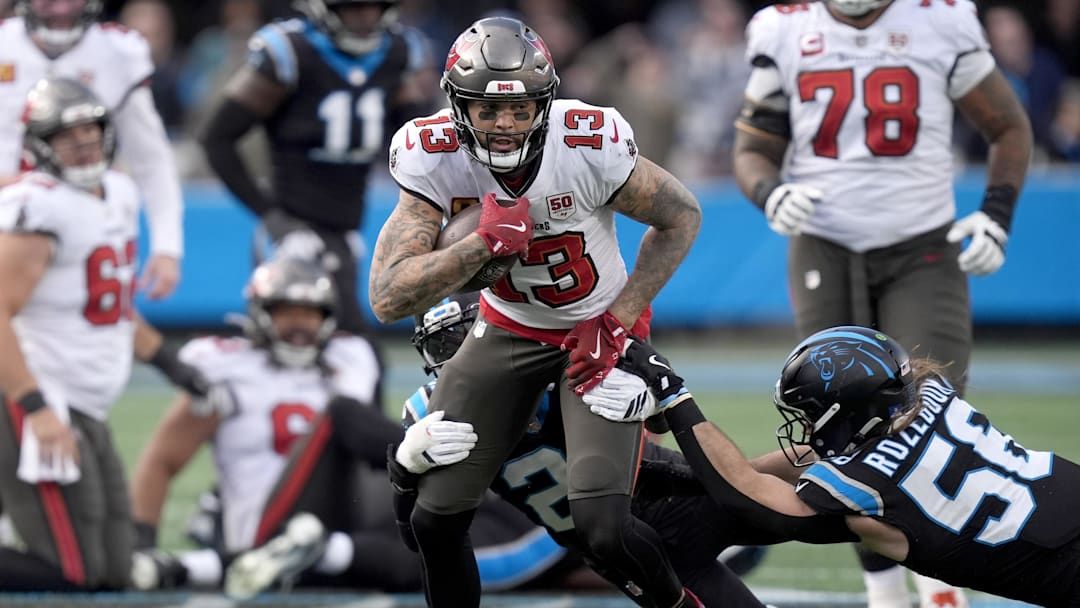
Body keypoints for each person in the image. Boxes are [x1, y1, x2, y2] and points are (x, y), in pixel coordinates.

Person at [369, 15, 703, 608]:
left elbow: (680, 218)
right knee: (435, 516)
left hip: (595, 330)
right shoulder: (434, 153)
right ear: (457, 106)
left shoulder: (585, 141)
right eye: (488, 110)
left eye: (521, 109)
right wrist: (481, 246)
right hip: (504, 328)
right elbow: (387, 297)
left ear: (543, 103)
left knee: (603, 529)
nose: (504, 124)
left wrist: (619, 320)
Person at [730, 0, 1034, 604]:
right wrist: (769, 192)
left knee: (931, 412)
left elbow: (1009, 126)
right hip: (825, 245)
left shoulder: (940, 19)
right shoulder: (785, 27)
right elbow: (752, 148)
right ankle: (884, 590)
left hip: (921, 243)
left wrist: (997, 215)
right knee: (835, 427)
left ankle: (943, 580)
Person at [129, 258, 571, 599]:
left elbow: (363, 457)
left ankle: (467, 490)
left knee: (424, 533)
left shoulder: (350, 355)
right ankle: (458, 463)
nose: (299, 324)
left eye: (310, 312)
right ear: (261, 312)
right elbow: (163, 459)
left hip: (326, 522)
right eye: (286, 312)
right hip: (267, 522)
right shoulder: (222, 363)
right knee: (344, 416)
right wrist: (142, 540)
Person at [588, 327, 1080, 608]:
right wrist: (689, 477)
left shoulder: (866, 491)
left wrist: (676, 397)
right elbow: (844, 455)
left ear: (847, 413)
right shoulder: (930, 395)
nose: (804, 428)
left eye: (808, 415)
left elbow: (745, 493)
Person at [390, 293, 812, 607]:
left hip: (663, 500)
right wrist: (404, 471)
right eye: (442, 348)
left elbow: (655, 424)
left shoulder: (554, 363)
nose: (457, 359)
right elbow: (423, 542)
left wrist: (649, 399)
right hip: (619, 552)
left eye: (465, 340)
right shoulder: (428, 418)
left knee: (836, 508)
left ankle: (849, 459)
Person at [0, 77, 200, 591]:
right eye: (66, 135)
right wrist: (36, 407)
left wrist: (170, 363)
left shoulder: (118, 193)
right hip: (38, 400)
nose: (83, 141)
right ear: (39, 144)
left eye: (90, 129)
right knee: (75, 572)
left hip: (86, 404)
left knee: (115, 569)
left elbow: (106, 308)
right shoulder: (36, 204)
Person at [199, 0, 435, 334]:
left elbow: (418, 138)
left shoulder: (396, 53)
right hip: (295, 227)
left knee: (345, 349)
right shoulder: (293, 52)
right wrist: (271, 216)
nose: (365, 18)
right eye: (353, 9)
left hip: (345, 229)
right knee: (336, 344)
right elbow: (217, 139)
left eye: (373, 8)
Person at [0, 0, 184, 299]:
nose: (60, 8)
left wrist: (168, 246)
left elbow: (151, 159)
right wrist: (16, 184)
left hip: (85, 227)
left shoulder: (119, 52)